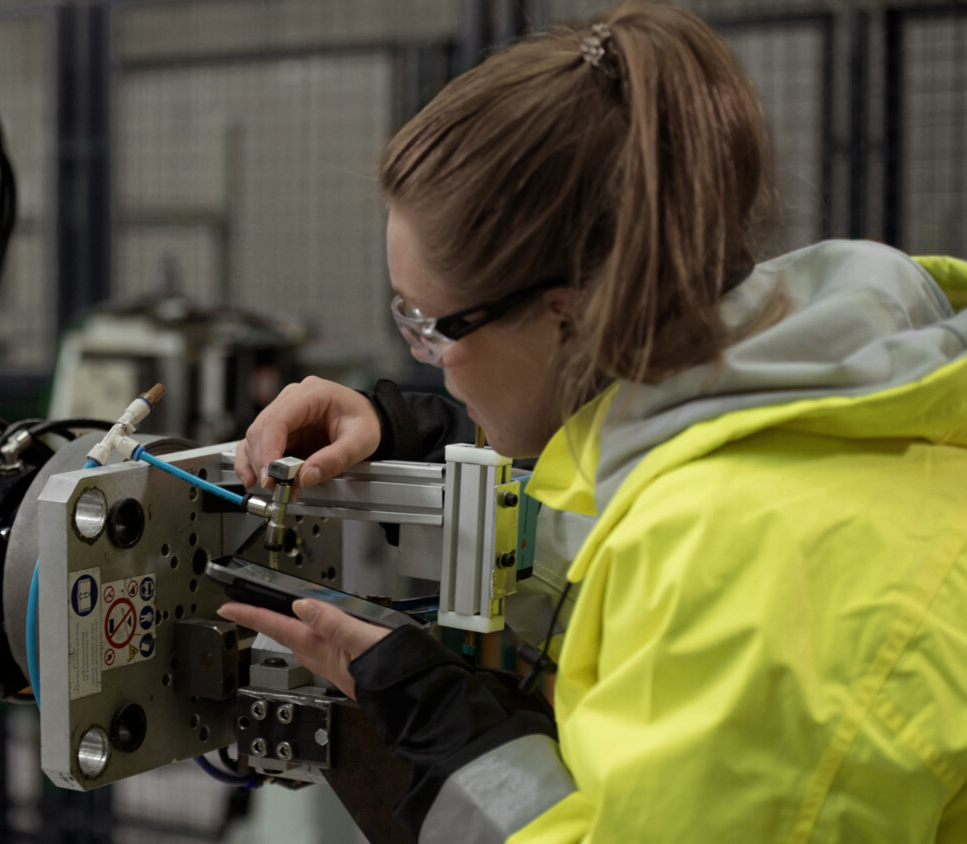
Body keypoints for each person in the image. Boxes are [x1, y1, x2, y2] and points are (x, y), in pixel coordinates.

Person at [217, 3, 967, 842]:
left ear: (565, 318)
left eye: (431, 325)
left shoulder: (754, 571)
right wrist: (430, 440)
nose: (422, 355)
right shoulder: (809, 395)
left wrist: (454, 739)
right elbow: (621, 522)